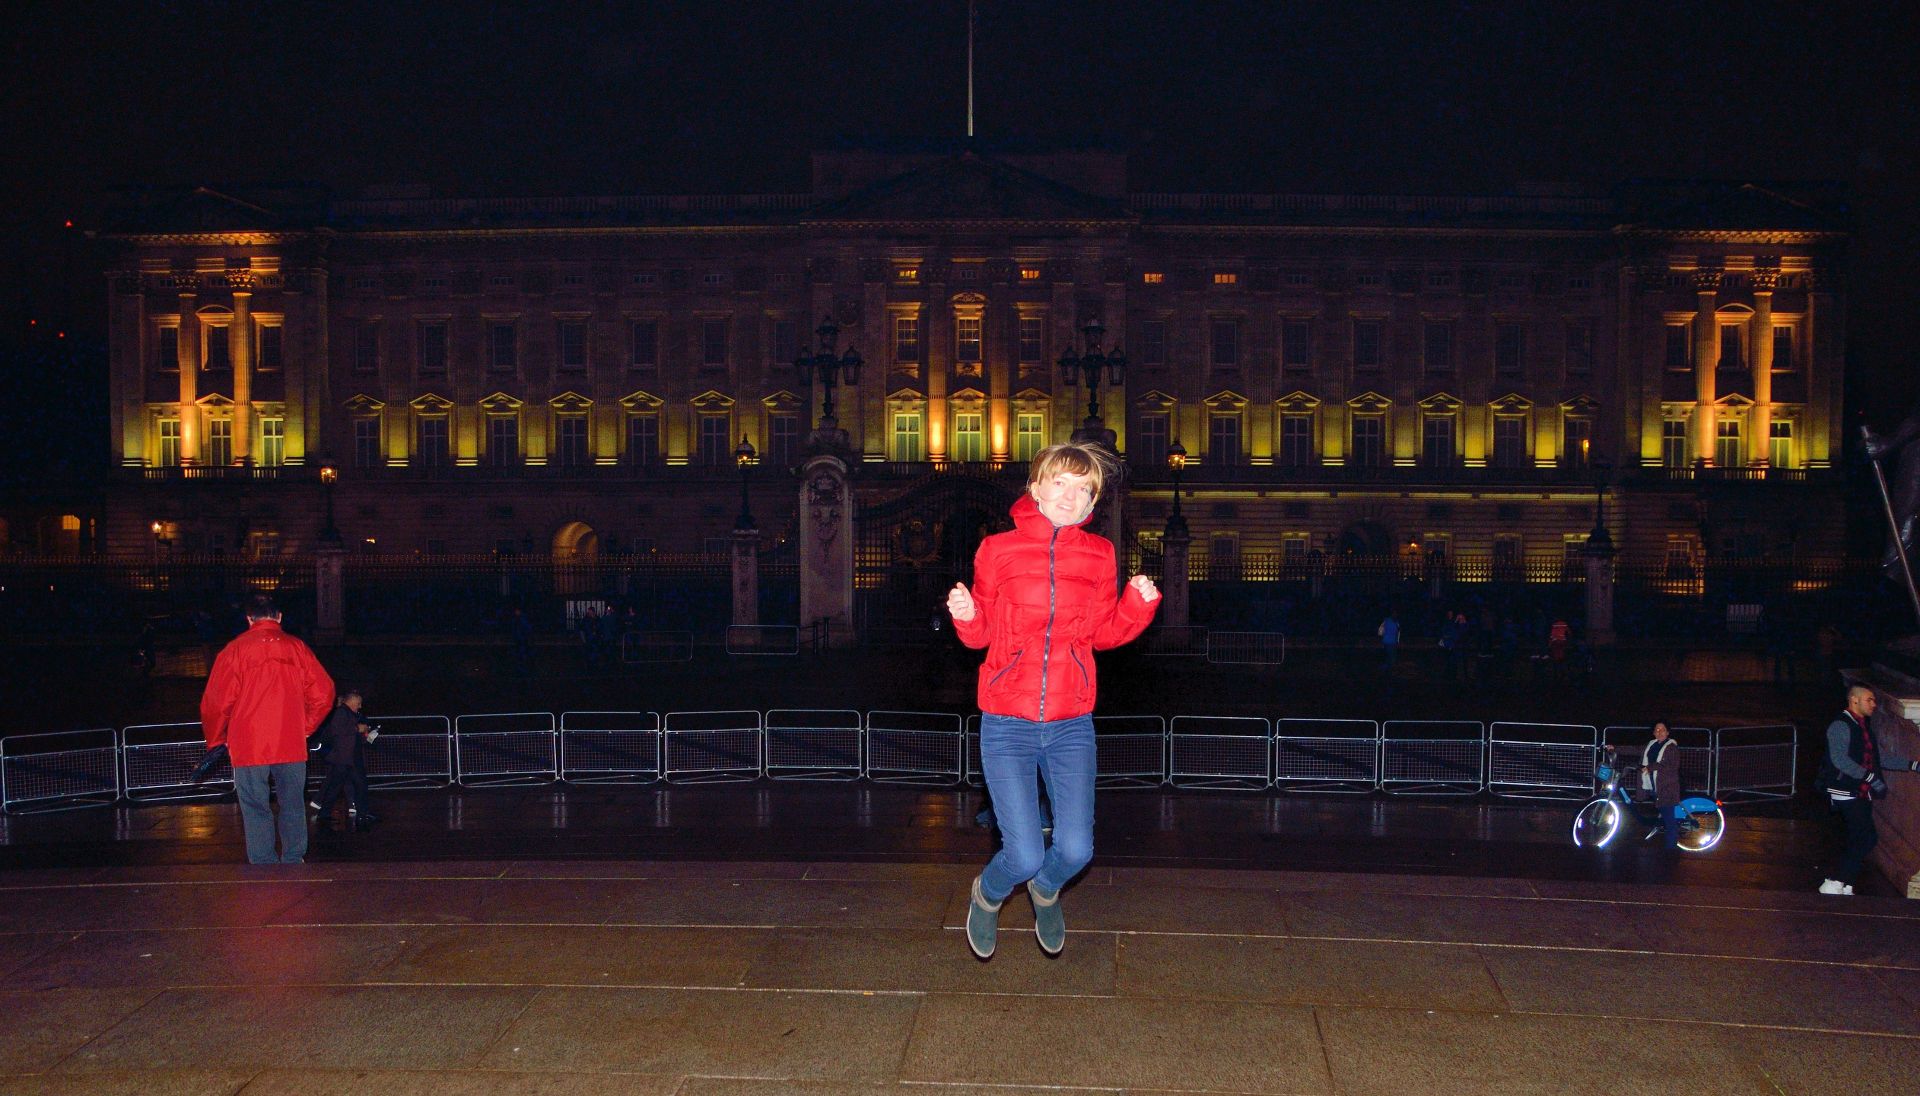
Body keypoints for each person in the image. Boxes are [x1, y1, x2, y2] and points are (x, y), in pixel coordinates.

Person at [947, 441, 1159, 959]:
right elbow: (980, 637)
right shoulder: (996, 550)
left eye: (1083, 488)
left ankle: (1046, 890)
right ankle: (988, 894)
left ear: (1092, 504)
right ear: (1036, 488)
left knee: (1076, 850)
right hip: (1007, 721)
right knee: (1019, 854)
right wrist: (966, 614)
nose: (1070, 495)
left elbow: (1104, 634)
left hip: (1071, 722)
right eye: (1060, 482)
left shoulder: (1101, 554)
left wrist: (1137, 606)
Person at [199, 594, 335, 865]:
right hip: (290, 741)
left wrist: (216, 739)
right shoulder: (297, 647)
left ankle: (263, 863)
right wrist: (305, 728)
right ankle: (294, 858)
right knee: (293, 803)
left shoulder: (234, 650)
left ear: (249, 619)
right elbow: (325, 694)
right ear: (279, 617)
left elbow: (215, 703)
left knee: (255, 806)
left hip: (249, 743)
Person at [1817, 684, 1920, 895]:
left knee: (1860, 837)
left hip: (1860, 791)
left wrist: (1912, 765)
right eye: (1869, 700)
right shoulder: (1840, 725)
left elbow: (1878, 758)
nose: (1874, 704)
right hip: (1846, 790)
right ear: (1854, 700)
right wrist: (1869, 776)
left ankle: (1845, 884)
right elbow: (1839, 760)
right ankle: (1836, 880)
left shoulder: (1862, 726)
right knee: (1866, 837)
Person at [310, 686, 377, 829]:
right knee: (355, 785)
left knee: (341, 785)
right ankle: (360, 814)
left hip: (347, 758)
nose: (360, 706)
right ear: (352, 701)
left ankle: (331, 813)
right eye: (358, 703)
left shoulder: (350, 714)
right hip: (345, 758)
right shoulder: (341, 713)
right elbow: (337, 730)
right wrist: (357, 729)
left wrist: (363, 733)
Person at [1641, 721, 1683, 848]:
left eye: (1662, 730)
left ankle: (1670, 851)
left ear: (1668, 732)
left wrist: (1650, 767)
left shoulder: (1671, 747)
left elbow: (1670, 765)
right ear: (1653, 732)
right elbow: (1637, 750)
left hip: (1667, 788)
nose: (1659, 732)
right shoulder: (1652, 745)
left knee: (1670, 821)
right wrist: (1615, 748)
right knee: (1665, 815)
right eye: (1657, 730)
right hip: (1655, 786)